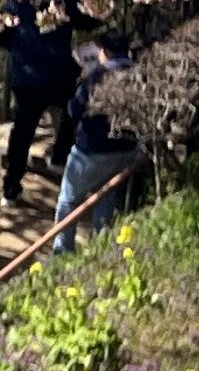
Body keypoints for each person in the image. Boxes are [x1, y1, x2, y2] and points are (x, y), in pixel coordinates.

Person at [0, 0, 79, 209]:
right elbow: (84, 19)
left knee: (22, 132)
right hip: (58, 71)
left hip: (27, 77)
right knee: (70, 114)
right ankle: (60, 156)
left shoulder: (15, 4)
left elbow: (0, 35)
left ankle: (11, 187)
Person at [57, 25, 143, 236]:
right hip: (126, 149)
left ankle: (62, 252)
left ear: (105, 52)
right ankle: (100, 245)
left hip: (92, 150)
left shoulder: (97, 76)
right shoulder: (139, 74)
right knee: (105, 198)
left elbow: (73, 109)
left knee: (68, 201)